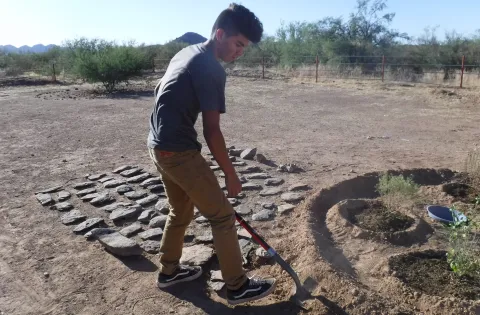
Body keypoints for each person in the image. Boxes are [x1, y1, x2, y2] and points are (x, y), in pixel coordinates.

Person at [147, 2, 276, 306]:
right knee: (221, 215)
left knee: (181, 210)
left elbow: (158, 91)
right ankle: (237, 286)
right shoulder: (210, 69)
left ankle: (169, 272)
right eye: (238, 44)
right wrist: (231, 174)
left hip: (157, 145)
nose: (239, 52)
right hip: (177, 151)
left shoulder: (187, 52)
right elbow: (212, 131)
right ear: (220, 34)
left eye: (245, 47)